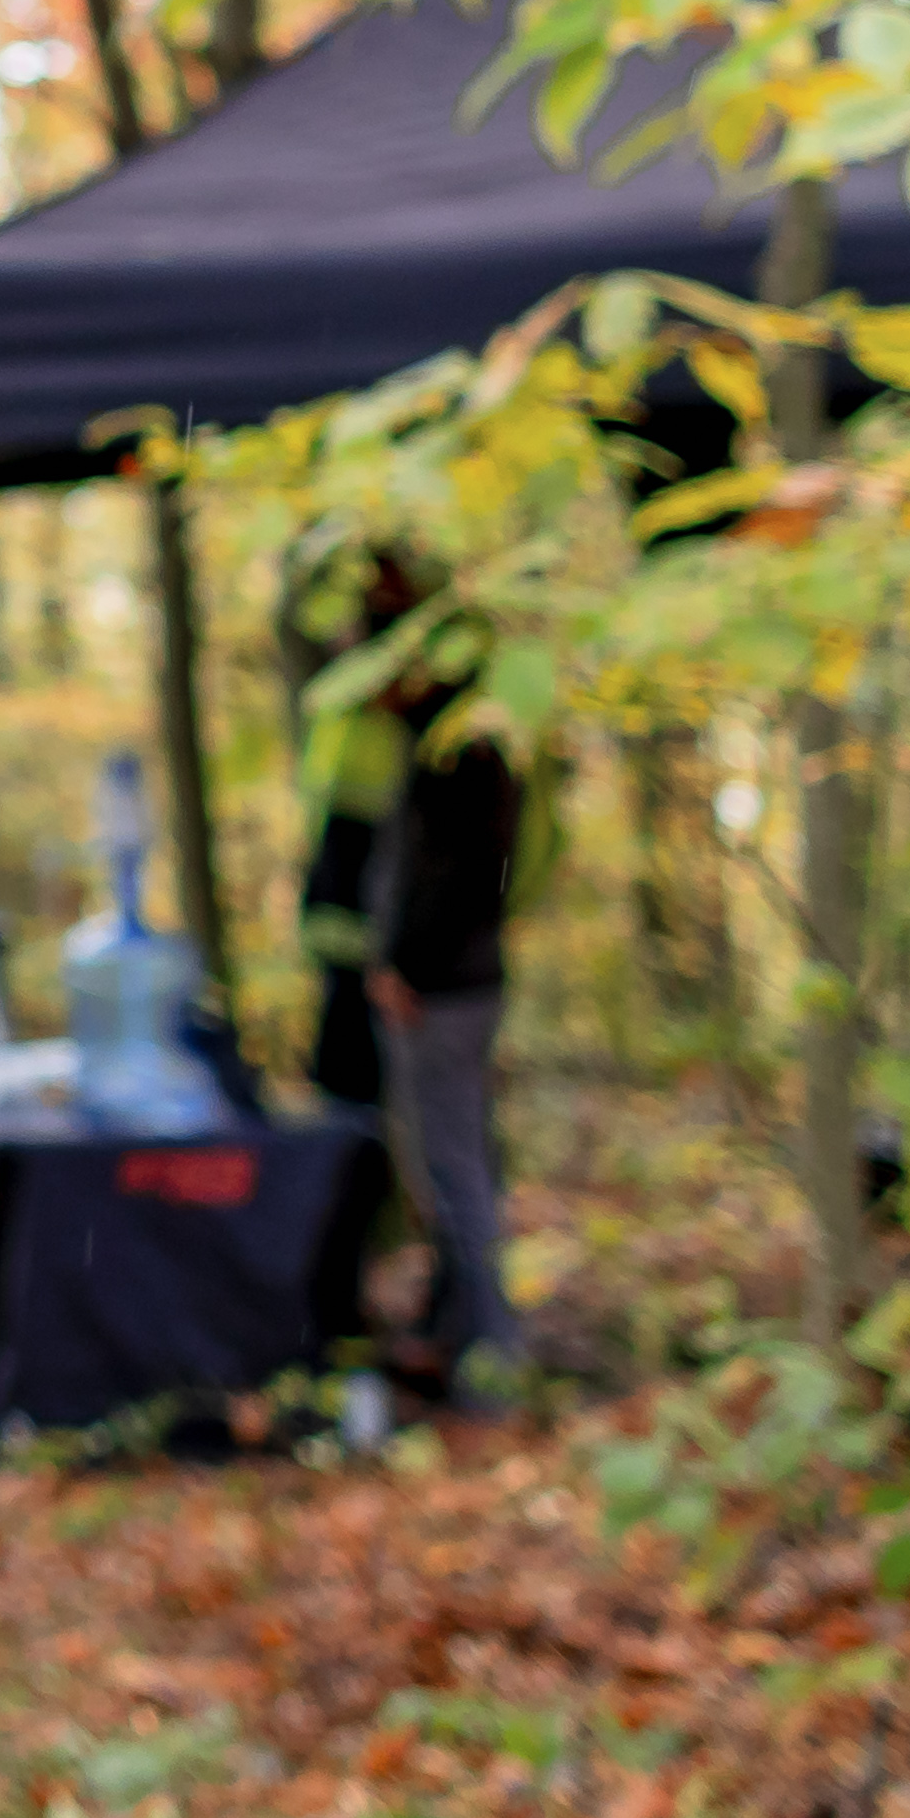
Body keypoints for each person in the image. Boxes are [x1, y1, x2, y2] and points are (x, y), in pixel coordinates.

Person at [293, 558, 524, 1396]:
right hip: (443, 983)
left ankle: (489, 1362)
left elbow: (454, 876)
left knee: (454, 1173)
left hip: (440, 991)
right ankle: (462, 1340)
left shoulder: (459, 750)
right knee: (444, 1172)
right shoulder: (448, 741)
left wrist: (404, 967)